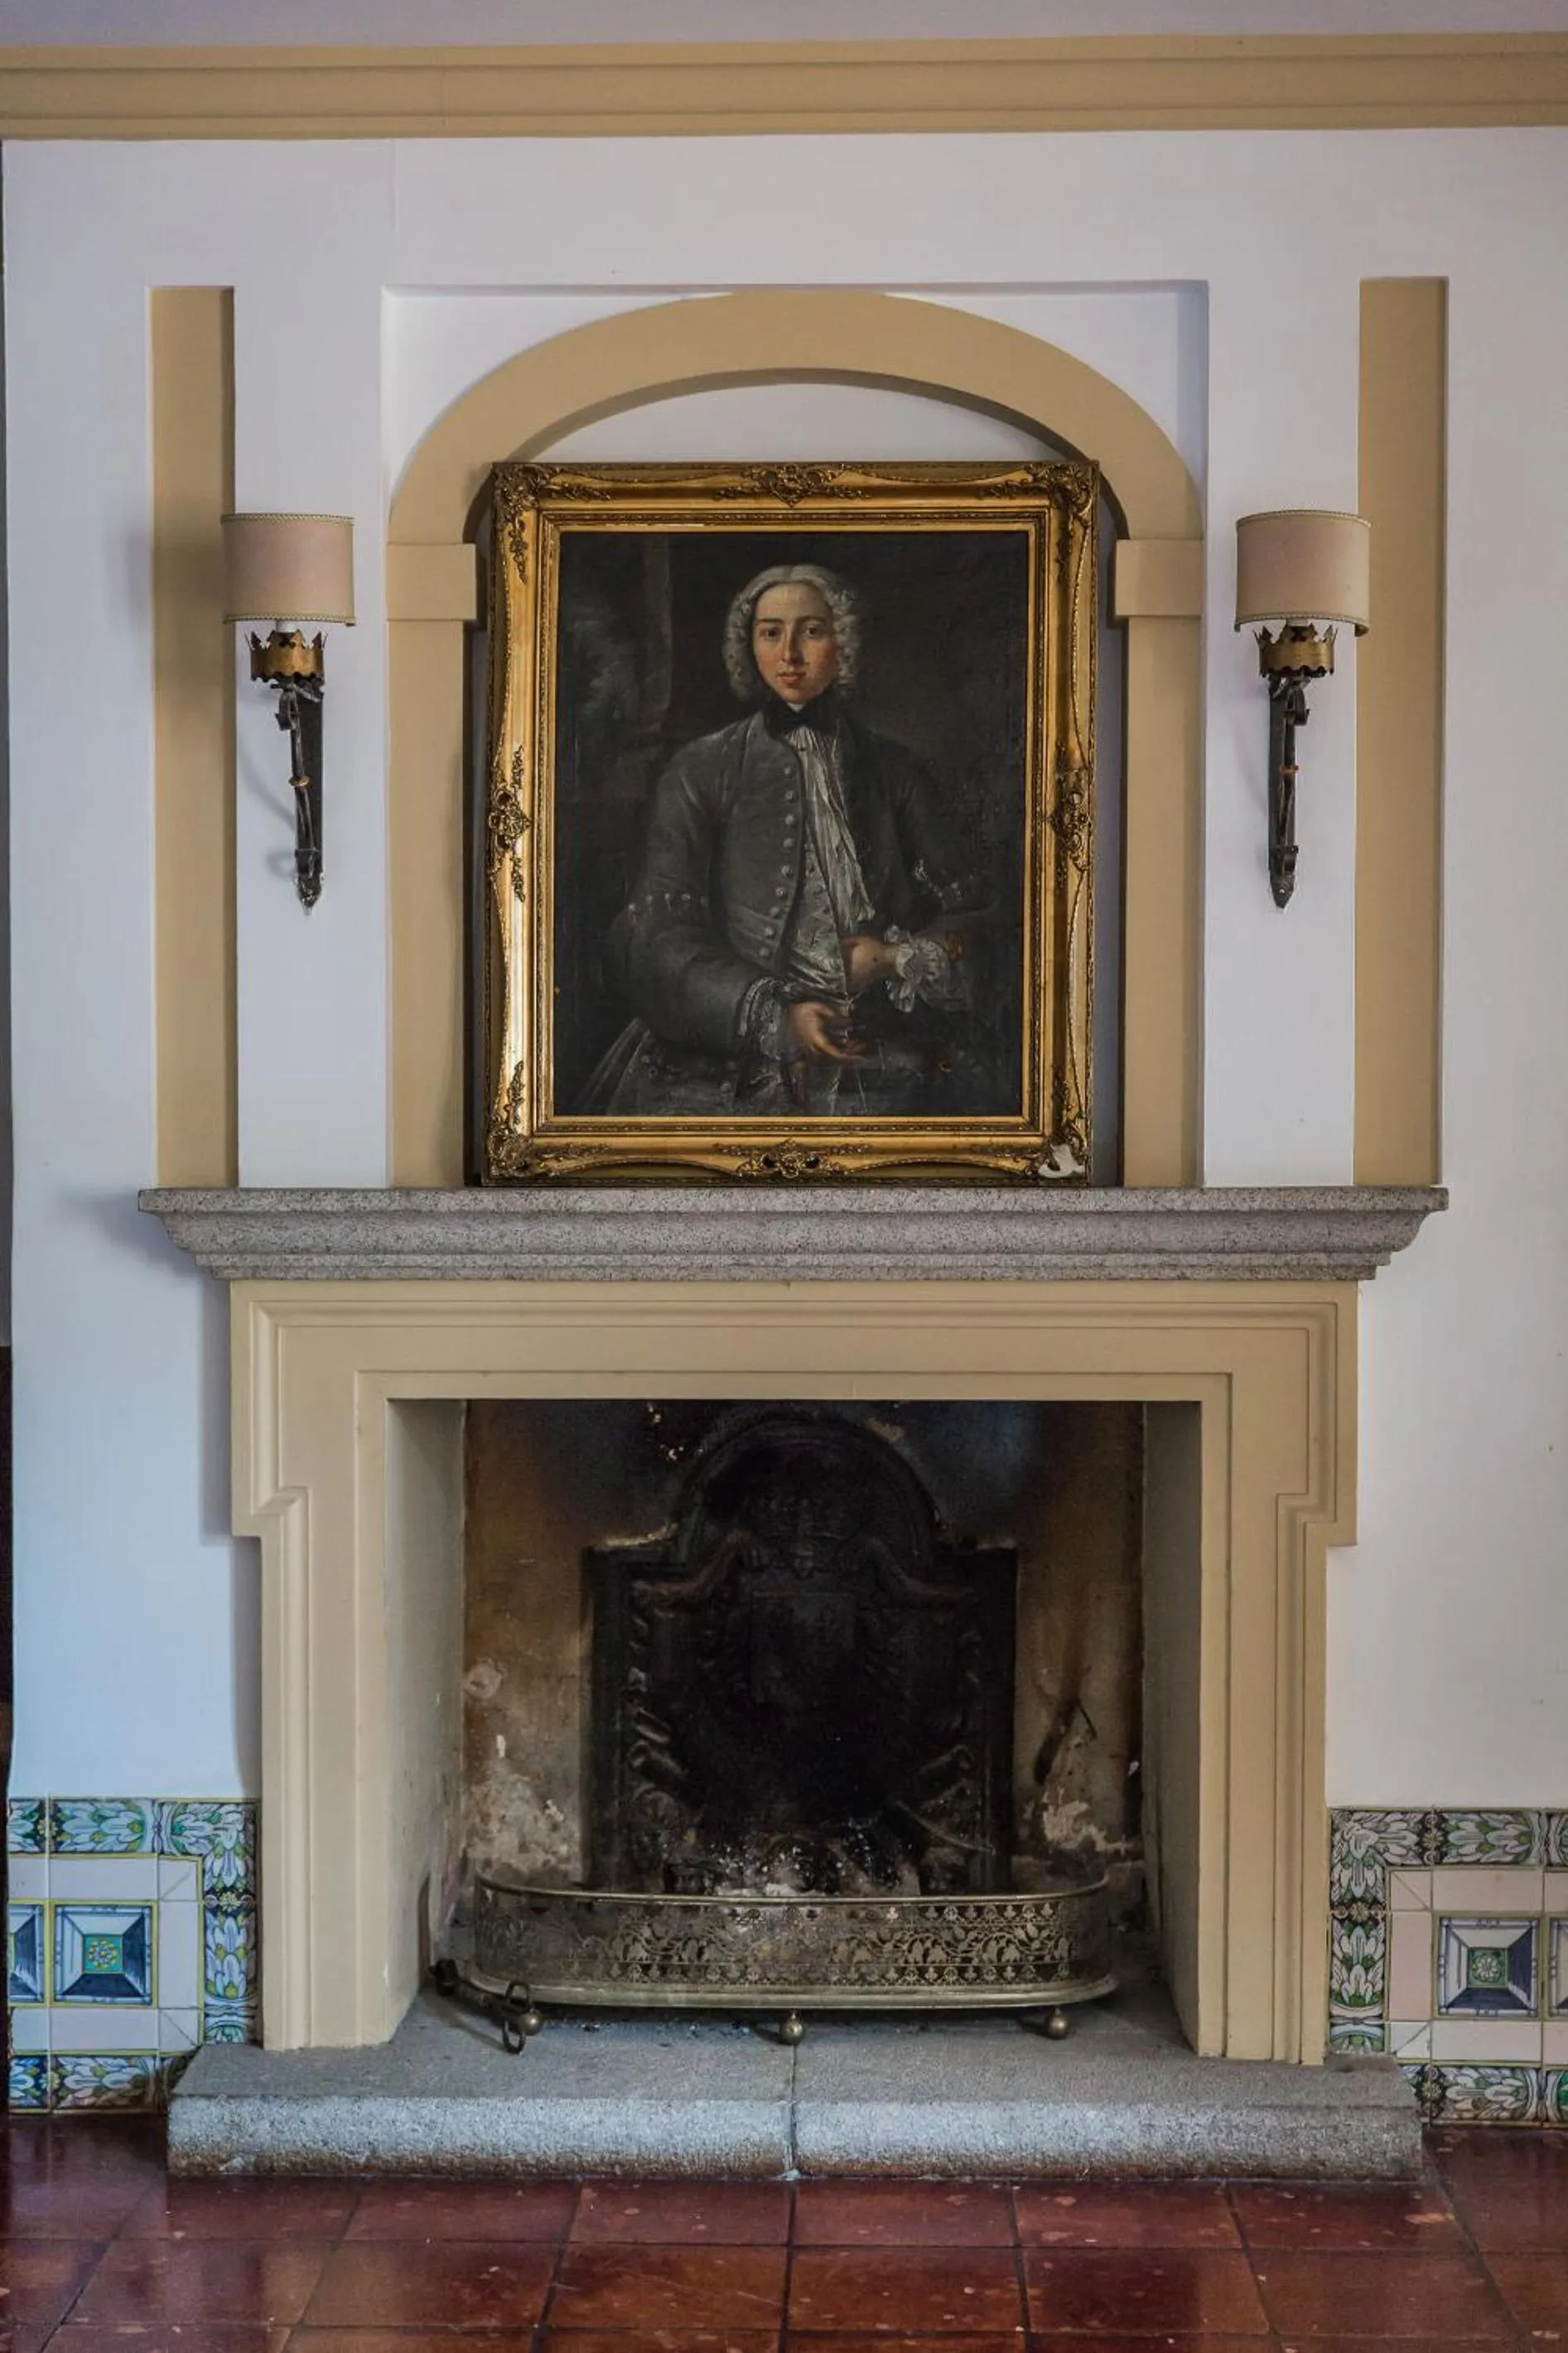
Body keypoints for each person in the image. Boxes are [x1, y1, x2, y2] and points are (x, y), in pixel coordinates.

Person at [583, 563, 996, 1119]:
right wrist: (771, 1014)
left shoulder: (894, 770)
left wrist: (898, 958)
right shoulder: (702, 768)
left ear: (843, 642)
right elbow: (652, 935)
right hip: (726, 1056)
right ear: (748, 645)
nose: (790, 654)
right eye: (771, 632)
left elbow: (977, 913)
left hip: (878, 1042)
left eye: (812, 630)